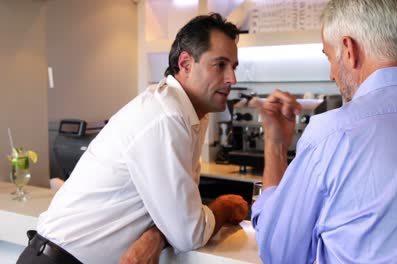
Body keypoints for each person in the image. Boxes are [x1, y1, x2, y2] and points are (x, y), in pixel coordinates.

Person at [17, 13, 248, 264]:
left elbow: (175, 215)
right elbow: (188, 233)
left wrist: (157, 234)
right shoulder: (166, 116)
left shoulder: (187, 115)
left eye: (233, 67)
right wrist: (224, 205)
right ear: (185, 63)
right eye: (220, 65)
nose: (232, 79)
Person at [251, 0, 397, 263]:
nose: (332, 74)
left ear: (348, 49)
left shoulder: (331, 135)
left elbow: (280, 252)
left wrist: (275, 146)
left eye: (328, 57)